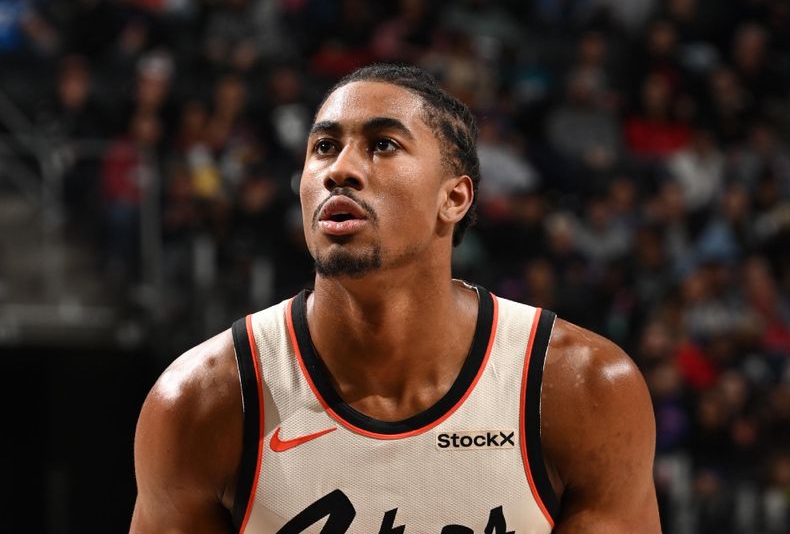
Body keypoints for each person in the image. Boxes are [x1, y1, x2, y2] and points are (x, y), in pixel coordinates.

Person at [130, 64, 660, 533]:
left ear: (453, 198)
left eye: (383, 144)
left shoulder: (579, 390)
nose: (340, 169)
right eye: (324, 147)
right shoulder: (205, 401)